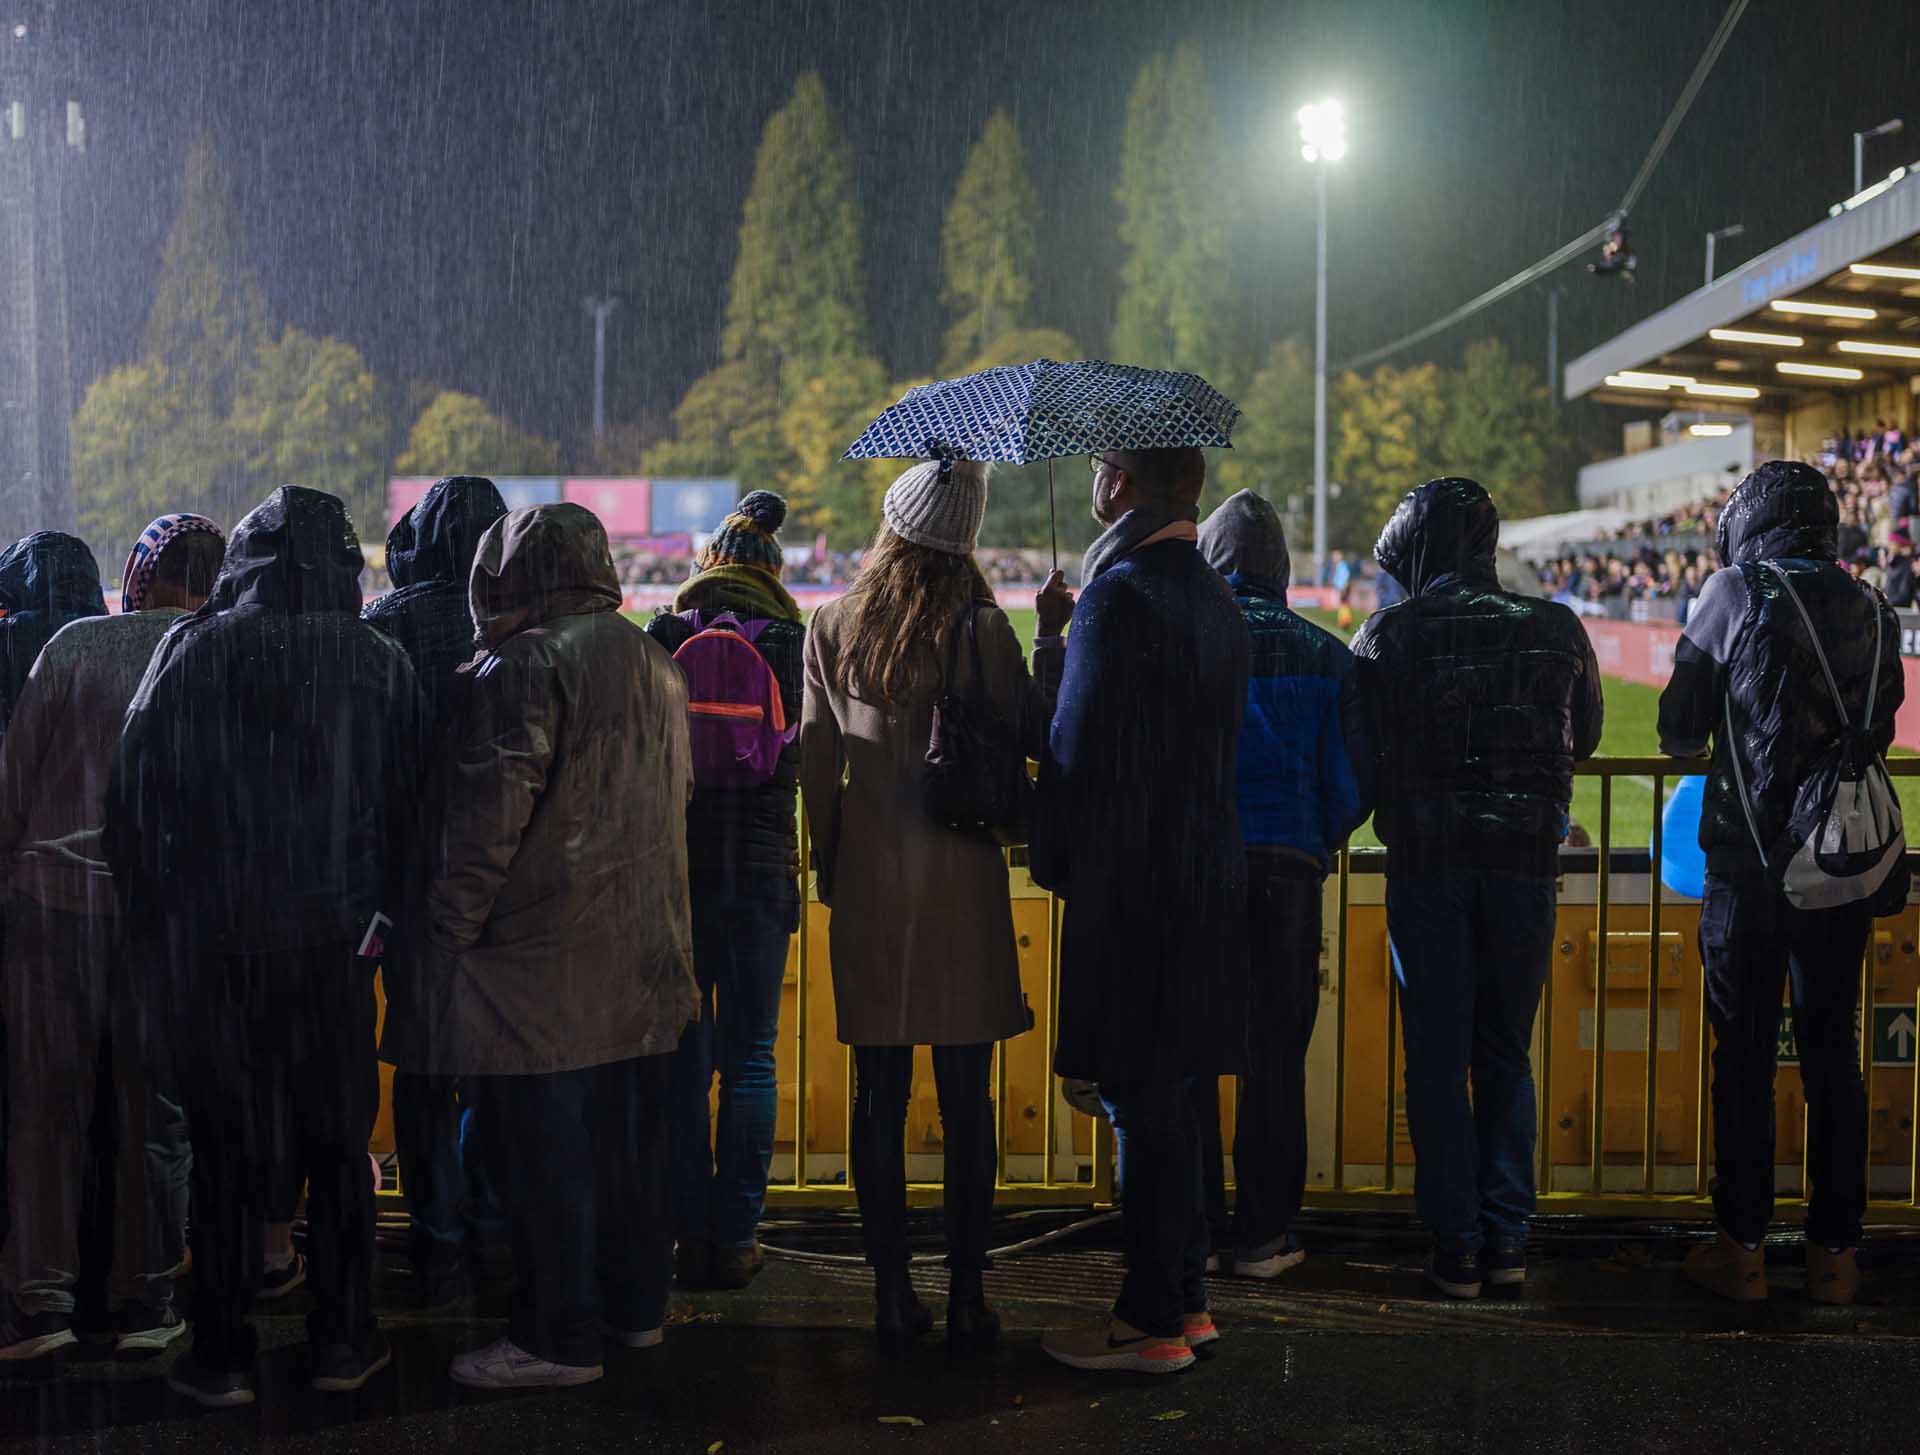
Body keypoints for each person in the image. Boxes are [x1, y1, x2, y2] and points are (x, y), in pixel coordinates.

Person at [104, 486, 424, 1407]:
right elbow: (413, 813)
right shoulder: (379, 660)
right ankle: (343, 1337)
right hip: (334, 949)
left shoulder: (193, 651)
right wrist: (379, 927)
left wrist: (164, 924)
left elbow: (133, 807)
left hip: (218, 951)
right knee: (337, 1150)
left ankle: (222, 1349)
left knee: (225, 1151)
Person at [385, 503, 697, 1391]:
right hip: (643, 960)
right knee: (625, 1157)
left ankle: (557, 1336)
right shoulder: (651, 660)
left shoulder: (525, 666)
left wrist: (442, 936)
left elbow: (483, 826)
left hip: (541, 973)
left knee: (546, 1164)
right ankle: (634, 1311)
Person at [799, 460, 1068, 1352]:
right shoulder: (985, 629)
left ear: (893, 525)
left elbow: (815, 768)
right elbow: (1038, 736)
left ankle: (887, 1292)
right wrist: (1054, 637)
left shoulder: (832, 625)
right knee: (967, 1104)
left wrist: (836, 867)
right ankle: (964, 1294)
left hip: (872, 886)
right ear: (967, 536)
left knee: (878, 1098)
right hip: (964, 886)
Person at [1657, 460, 1903, 1305]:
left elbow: (1680, 732)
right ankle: (1837, 1256)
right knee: (1836, 1058)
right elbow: (1882, 718)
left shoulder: (1732, 591)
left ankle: (1743, 1249)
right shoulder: (1874, 604)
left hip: (1748, 869)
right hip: (1840, 866)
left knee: (1746, 1061)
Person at [1351, 477, 1602, 1300]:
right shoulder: (1557, 629)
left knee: (1435, 1057)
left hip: (1428, 868)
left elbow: (1360, 749)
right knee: (1504, 1052)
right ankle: (1507, 1239)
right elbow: (1585, 732)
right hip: (1524, 871)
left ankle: (1455, 1243)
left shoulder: (1390, 632)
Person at [1033, 448, 1249, 1375]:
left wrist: (1053, 648)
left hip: (1135, 884)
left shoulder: (1118, 598)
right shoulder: (1216, 596)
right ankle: (1187, 1300)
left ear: (1120, 482)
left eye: (1100, 464)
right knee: (1176, 1095)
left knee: (1141, 1102)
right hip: (1206, 875)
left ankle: (1151, 1316)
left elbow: (1075, 749)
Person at [0, 517, 220, 1362]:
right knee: (154, 1115)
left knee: (47, 1111)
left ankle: (42, 1301)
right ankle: (147, 1297)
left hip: (54, 908)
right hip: (165, 920)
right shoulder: (218, 653)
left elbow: (14, 786)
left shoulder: (77, 644)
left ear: (137, 570)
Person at [1192, 490, 1369, 1279]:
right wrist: (1313, 840)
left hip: (1198, 868)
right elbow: (1350, 781)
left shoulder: (1188, 637)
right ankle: (1263, 1233)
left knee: (1189, 1052)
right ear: (1281, 569)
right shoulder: (1329, 654)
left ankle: (1193, 1223)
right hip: (1289, 873)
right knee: (1275, 1059)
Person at [644, 491, 804, 1291]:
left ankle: (682, 1232)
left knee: (681, 1058)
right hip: (761, 873)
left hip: (677, 873)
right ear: (772, 574)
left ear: (707, 564)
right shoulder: (790, 643)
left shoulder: (666, 634)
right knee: (750, 1059)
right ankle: (736, 1236)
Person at [362, 474, 509, 1307]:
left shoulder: (385, 623)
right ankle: (489, 1229)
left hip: (404, 880)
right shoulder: (513, 619)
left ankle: (438, 1239)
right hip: (496, 872)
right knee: (488, 1062)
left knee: (421, 1064)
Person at [0, 530, 107, 1261]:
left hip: (31, 895)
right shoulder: (101, 652)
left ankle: (36, 1272)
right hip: (112, 900)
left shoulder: (23, 650)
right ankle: (109, 1264)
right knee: (114, 1096)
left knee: (34, 1094)